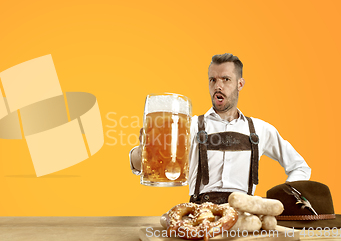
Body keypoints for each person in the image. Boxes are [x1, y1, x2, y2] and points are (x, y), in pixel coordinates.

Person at [130, 53, 311, 204]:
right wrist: (143, 150)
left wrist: (284, 200)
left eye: (226, 79)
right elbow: (140, 167)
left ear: (240, 84)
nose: (218, 85)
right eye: (213, 79)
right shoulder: (189, 126)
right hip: (200, 216)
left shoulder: (260, 129)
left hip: (246, 217)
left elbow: (300, 167)